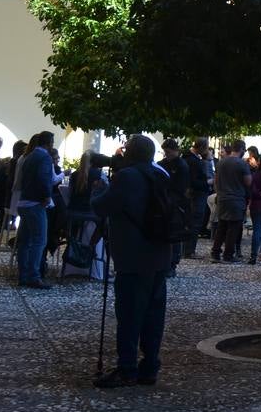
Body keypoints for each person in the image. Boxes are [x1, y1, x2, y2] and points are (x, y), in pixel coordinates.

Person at [91, 134, 171, 388]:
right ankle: (150, 366)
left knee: (130, 314)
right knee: (154, 314)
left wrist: (99, 189)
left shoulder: (127, 177)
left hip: (134, 256)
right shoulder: (161, 174)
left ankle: (127, 368)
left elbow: (102, 207)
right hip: (160, 253)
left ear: (130, 153)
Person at [15, 131, 59, 289]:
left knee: (25, 241)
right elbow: (43, 178)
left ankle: (23, 275)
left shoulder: (29, 156)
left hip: (24, 201)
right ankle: (34, 276)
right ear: (49, 143)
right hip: (35, 203)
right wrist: (46, 196)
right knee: (39, 240)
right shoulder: (44, 157)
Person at [210, 139, 250, 262]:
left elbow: (215, 181)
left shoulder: (221, 162)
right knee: (233, 228)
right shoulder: (242, 164)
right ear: (241, 149)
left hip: (222, 197)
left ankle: (215, 252)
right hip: (236, 198)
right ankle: (228, 254)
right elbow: (248, 182)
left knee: (221, 226)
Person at [158, 139, 190, 278]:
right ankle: (166, 263)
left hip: (175, 203)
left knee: (175, 234)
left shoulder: (181, 165)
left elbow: (181, 187)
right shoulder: (165, 164)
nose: (167, 154)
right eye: (165, 152)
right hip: (167, 201)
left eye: (168, 152)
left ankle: (172, 264)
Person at [182, 139, 212, 256]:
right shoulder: (194, 161)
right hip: (197, 194)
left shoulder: (189, 158)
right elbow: (194, 181)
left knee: (192, 222)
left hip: (193, 194)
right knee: (195, 222)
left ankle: (187, 250)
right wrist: (208, 182)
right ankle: (189, 250)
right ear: (202, 147)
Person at [247, 152, 261, 266]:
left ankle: (253, 256)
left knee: (257, 231)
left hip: (256, 205)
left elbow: (253, 191)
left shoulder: (255, 175)